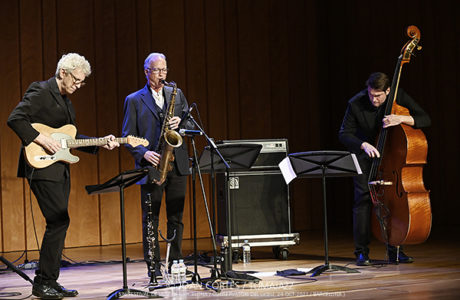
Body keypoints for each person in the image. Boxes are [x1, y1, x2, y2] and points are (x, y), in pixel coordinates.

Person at [7, 53, 119, 299]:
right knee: (58, 221)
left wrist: (100, 143)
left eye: (82, 82)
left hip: (59, 169)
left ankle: (50, 281)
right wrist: (41, 138)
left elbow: (69, 139)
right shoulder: (40, 91)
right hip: (40, 166)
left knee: (59, 222)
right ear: (64, 73)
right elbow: (15, 119)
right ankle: (43, 282)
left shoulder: (66, 101)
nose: (79, 86)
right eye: (77, 80)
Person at [338, 72, 431, 266]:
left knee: (392, 201)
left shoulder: (399, 96)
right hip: (365, 157)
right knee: (363, 200)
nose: (374, 99)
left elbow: (425, 118)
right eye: (371, 95)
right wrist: (363, 144)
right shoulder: (356, 103)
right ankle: (361, 252)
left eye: (379, 96)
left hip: (392, 159)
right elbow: (344, 134)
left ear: (388, 91)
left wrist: (401, 119)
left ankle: (395, 249)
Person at [122, 52, 193, 277]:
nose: (162, 75)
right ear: (146, 72)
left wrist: (180, 121)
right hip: (152, 165)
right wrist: (144, 153)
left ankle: (176, 260)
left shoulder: (177, 94)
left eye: (164, 70)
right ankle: (153, 267)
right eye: (157, 70)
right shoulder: (133, 99)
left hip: (177, 163)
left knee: (176, 216)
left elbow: (189, 121)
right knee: (150, 219)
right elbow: (127, 135)